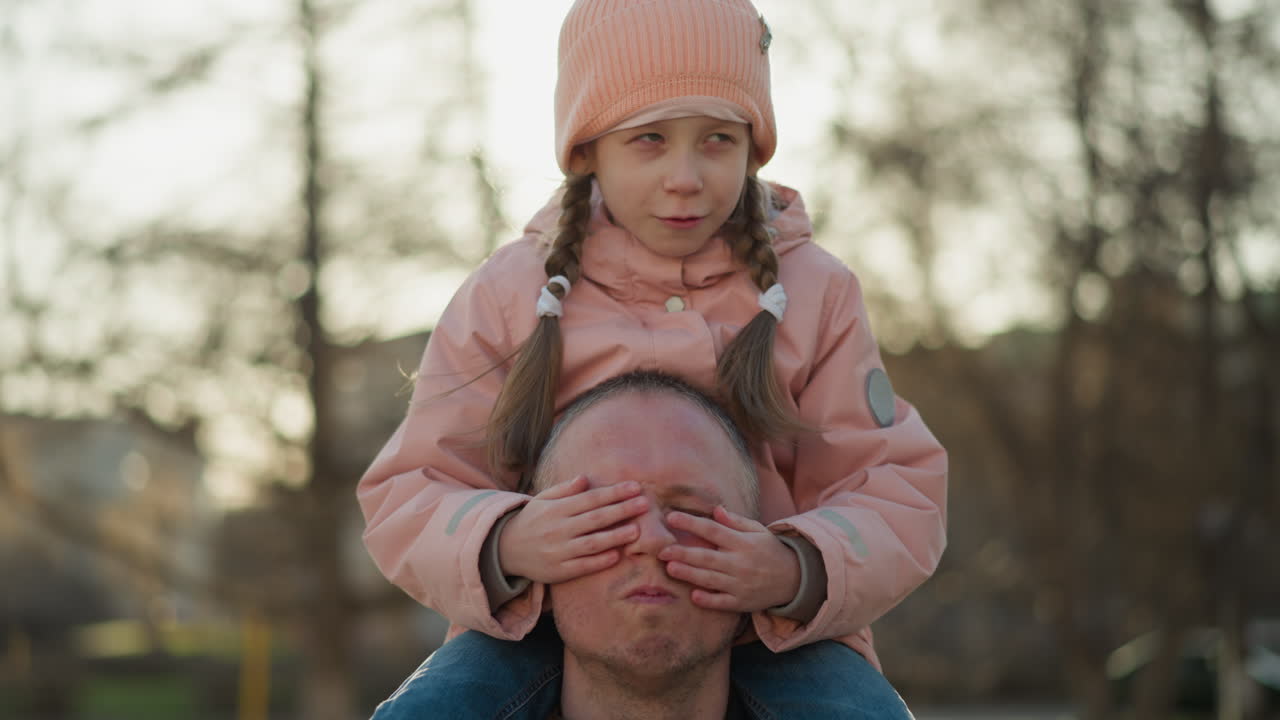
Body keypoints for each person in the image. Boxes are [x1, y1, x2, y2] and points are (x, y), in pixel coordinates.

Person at [358, 0, 947, 716]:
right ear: (587, 150)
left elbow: (894, 485)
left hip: (771, 634)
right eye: (650, 139)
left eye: (718, 140)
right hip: (540, 628)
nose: (686, 176)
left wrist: (796, 568)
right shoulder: (509, 294)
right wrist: (505, 542)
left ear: (754, 147)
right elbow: (411, 488)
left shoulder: (815, 292)